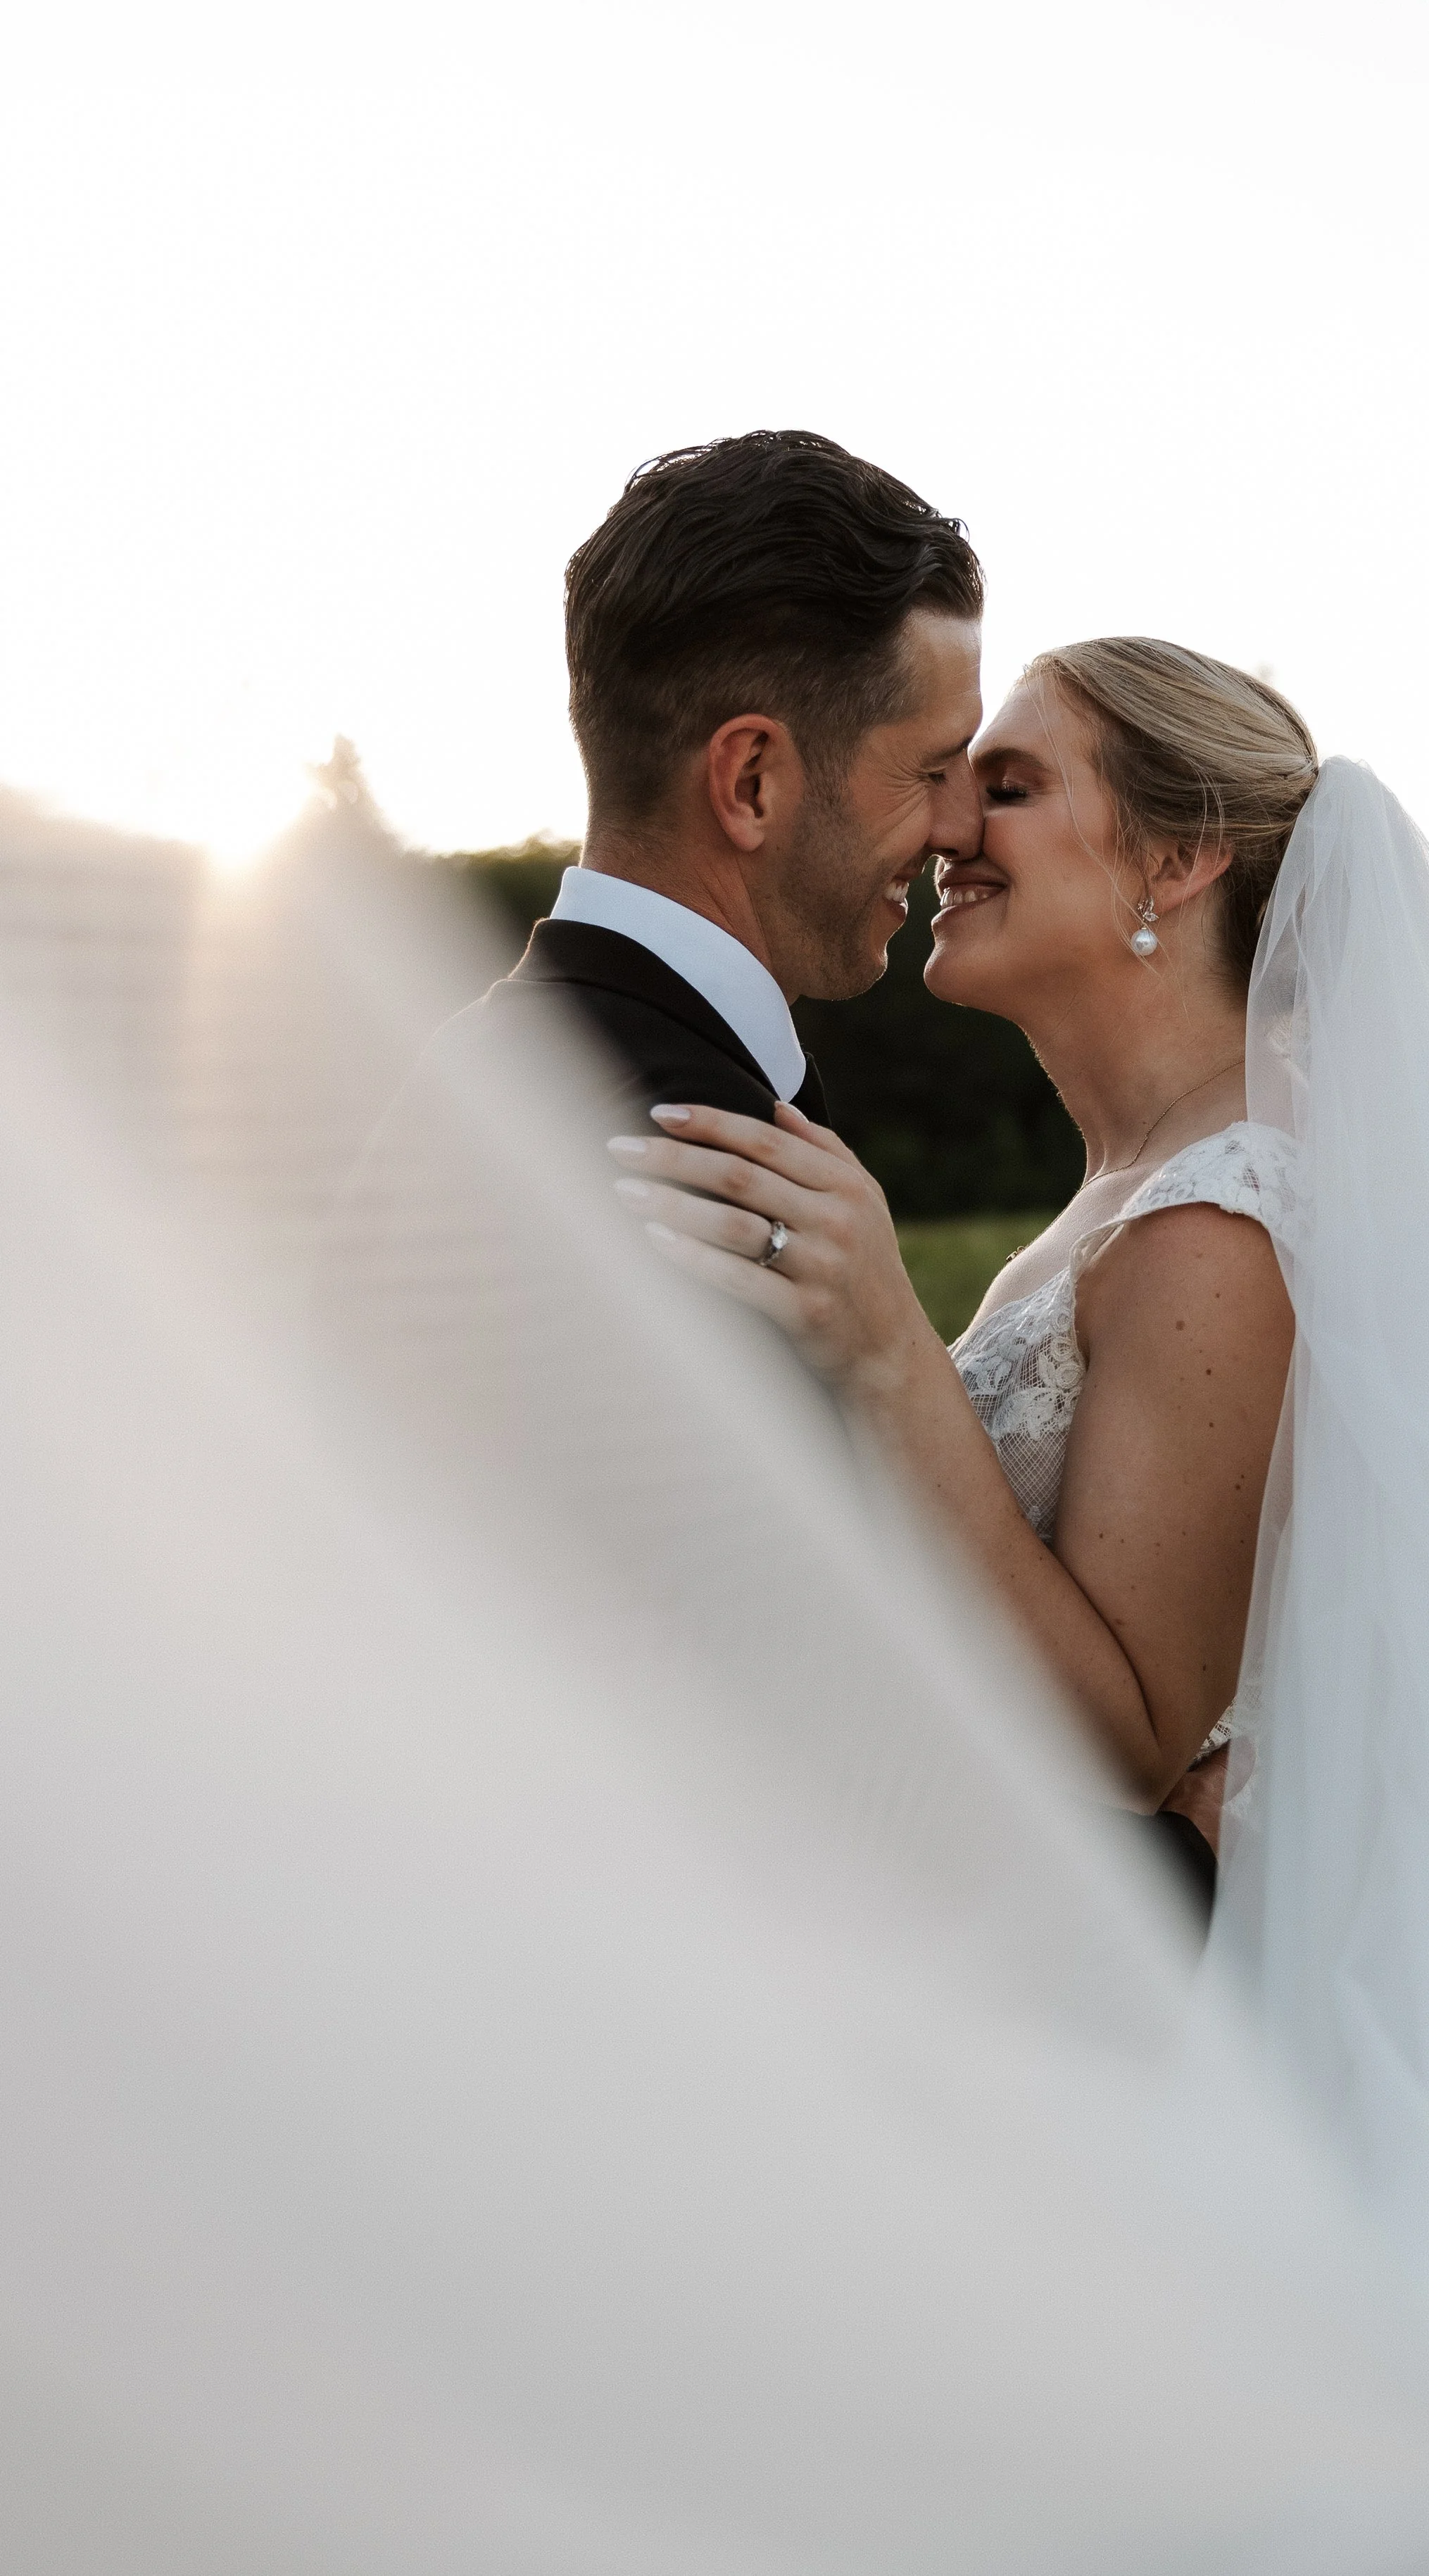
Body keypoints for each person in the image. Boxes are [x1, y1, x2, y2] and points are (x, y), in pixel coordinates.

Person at [610, 640, 1314, 1904]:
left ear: (1179, 855)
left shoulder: (1219, 1223)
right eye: (951, 778)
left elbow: (1122, 1745)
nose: (948, 830)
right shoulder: (1128, 1189)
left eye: (1012, 786)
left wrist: (888, 1345)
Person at [403, 431, 986, 1137]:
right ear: (750, 783)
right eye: (929, 769)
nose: (962, 826)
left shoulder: (467, 1066)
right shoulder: (700, 1155)